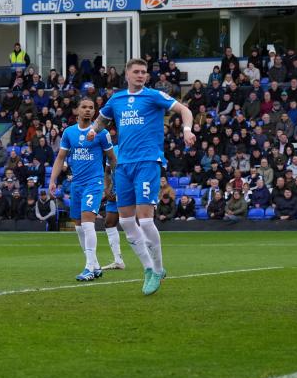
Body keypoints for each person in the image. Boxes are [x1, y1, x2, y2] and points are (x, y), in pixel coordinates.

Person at [85, 58, 196, 295]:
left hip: (148, 161)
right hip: (123, 164)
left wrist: (187, 130)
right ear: (126, 75)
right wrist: (94, 130)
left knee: (145, 220)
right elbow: (103, 119)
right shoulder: (117, 99)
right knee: (126, 221)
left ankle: (157, 268)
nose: (140, 75)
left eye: (144, 72)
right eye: (136, 72)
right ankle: (148, 268)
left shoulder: (153, 96)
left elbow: (184, 110)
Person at [50, 97, 117, 281]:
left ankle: (88, 268)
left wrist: (112, 182)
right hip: (76, 184)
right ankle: (95, 265)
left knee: (88, 223)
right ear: (77, 110)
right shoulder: (69, 133)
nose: (88, 110)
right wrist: (53, 179)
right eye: (84, 107)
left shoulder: (101, 133)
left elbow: (112, 159)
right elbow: (60, 158)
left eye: (91, 107)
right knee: (79, 227)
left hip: (93, 183)